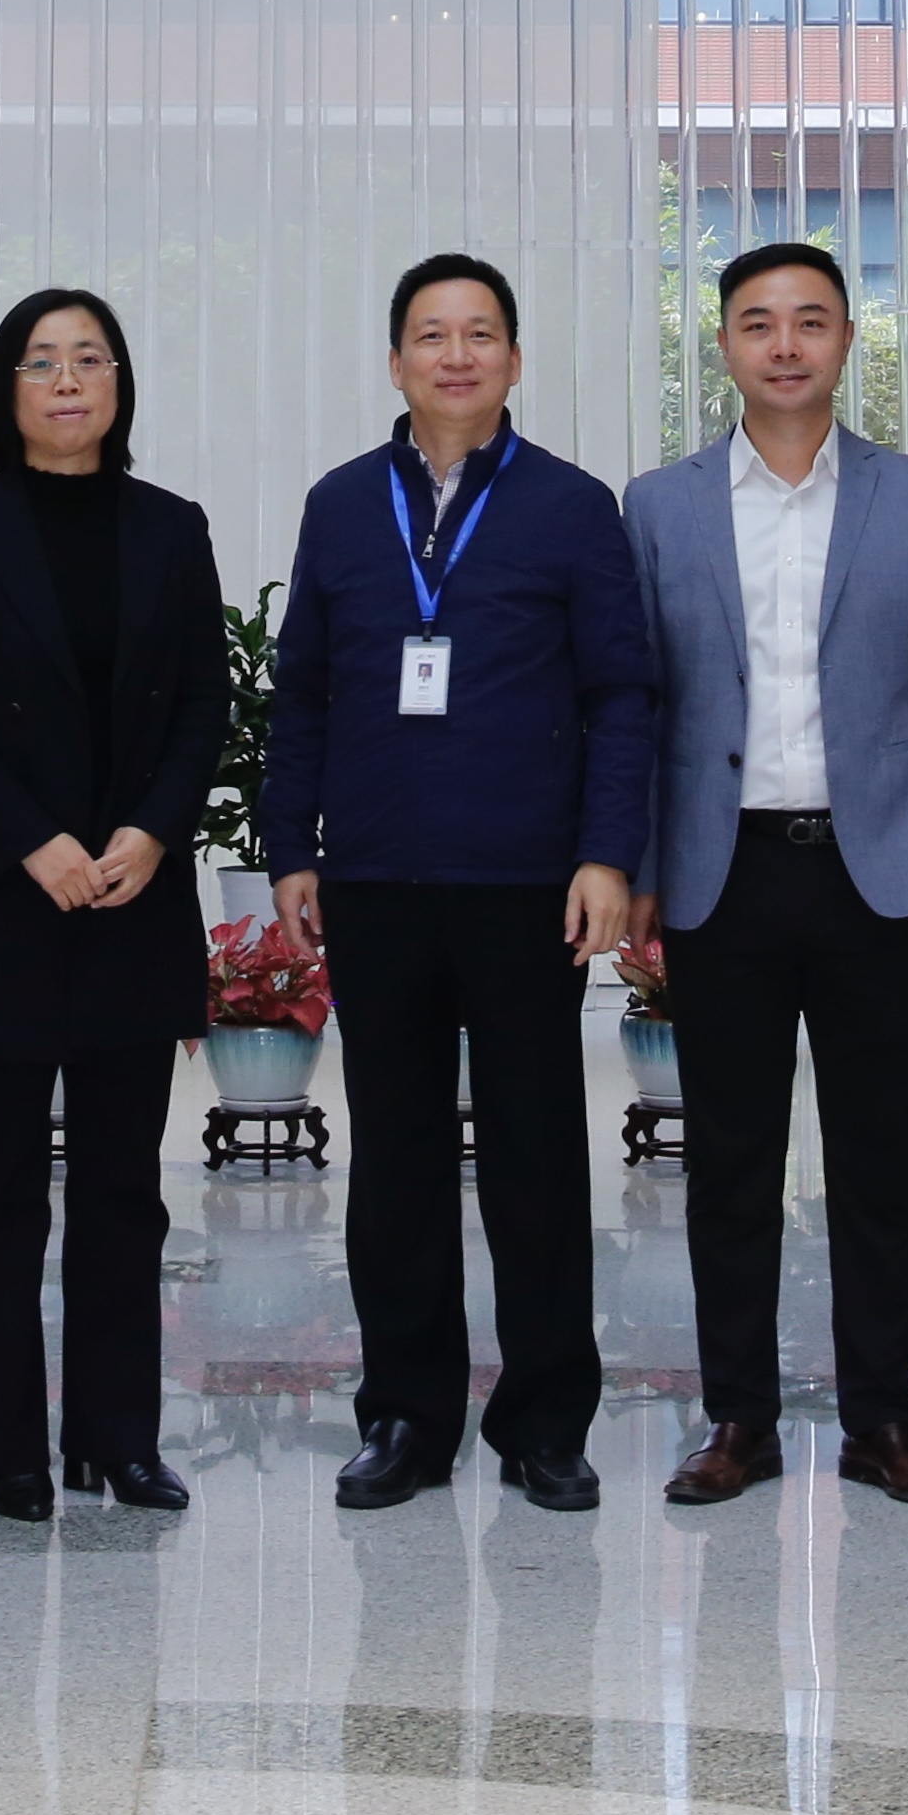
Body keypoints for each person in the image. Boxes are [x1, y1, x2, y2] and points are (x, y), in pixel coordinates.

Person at [261, 252, 659, 1515]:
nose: (455, 354)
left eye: (479, 332)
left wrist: (606, 854)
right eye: (430, 334)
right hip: (377, 875)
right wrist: (291, 847)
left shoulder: (571, 505)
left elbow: (620, 694)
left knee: (537, 1155)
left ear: (514, 360)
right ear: (395, 362)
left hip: (526, 881)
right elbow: (303, 690)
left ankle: (545, 1420)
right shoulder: (340, 504)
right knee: (397, 1162)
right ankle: (404, 1415)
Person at [625, 240, 908, 1511]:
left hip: (871, 872)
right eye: (757, 321)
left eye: (810, 320)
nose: (784, 344)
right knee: (728, 1165)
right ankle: (738, 1418)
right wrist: (634, 869)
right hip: (719, 873)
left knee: (879, 1165)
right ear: (723, 342)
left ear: (845, 339)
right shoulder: (659, 505)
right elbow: (636, 702)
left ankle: (882, 1420)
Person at [0, 288, 223, 1520]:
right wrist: (33, 840)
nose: (68, 379)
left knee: (124, 1187)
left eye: (90, 358)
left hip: (133, 892)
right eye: (41, 361)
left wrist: (150, 830)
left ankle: (116, 1438)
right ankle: (7, 1447)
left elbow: (204, 699)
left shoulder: (172, 527)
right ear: (7, 388)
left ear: (120, 383)